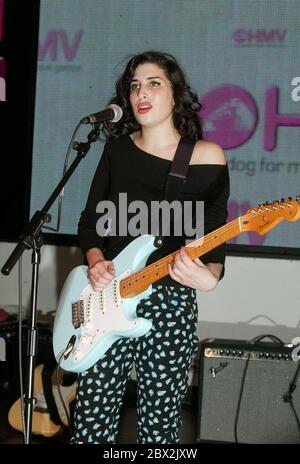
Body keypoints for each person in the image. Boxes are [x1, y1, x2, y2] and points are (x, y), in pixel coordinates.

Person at [70, 50, 230, 444]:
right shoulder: (117, 151)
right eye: (134, 85)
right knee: (91, 419)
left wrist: (209, 279)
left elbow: (213, 239)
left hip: (171, 301)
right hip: (108, 297)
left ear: (175, 93)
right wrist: (95, 261)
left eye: (153, 83)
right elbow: (91, 222)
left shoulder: (207, 156)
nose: (141, 92)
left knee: (160, 427)